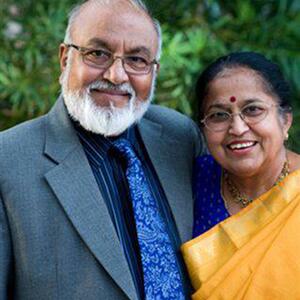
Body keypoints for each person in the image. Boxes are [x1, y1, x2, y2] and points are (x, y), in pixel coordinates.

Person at [0, 0, 204, 299]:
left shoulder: (180, 137)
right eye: (98, 54)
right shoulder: (7, 160)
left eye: (137, 60)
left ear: (154, 70)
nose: (116, 75)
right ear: (64, 58)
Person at [181, 51, 300, 299]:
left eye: (253, 109)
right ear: (203, 128)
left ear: (285, 120)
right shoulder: (189, 183)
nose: (237, 128)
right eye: (219, 115)